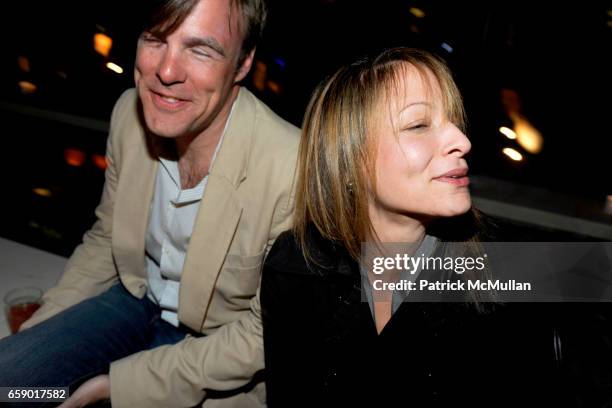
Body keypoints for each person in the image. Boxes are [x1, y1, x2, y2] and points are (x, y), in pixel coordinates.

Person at [261, 47, 612, 407]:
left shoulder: (519, 270)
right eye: (418, 125)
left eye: (452, 121)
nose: (462, 142)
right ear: (350, 162)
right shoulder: (298, 266)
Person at [0, 0, 299, 406]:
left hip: (218, 344)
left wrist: (117, 387)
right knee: (11, 384)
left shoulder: (291, 167)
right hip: (134, 300)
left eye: (200, 49)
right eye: (156, 40)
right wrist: (40, 335)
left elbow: (264, 333)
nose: (166, 71)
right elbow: (106, 238)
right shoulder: (129, 113)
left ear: (243, 65)